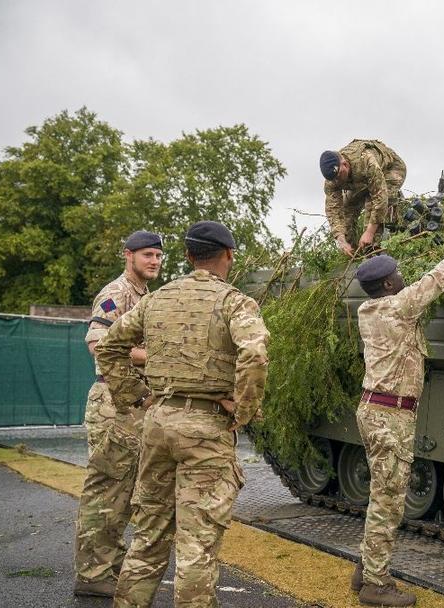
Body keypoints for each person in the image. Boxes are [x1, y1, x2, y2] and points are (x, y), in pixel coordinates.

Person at [95, 221, 270, 608]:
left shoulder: (156, 300)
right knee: (197, 542)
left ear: (189, 257)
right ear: (228, 255)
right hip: (206, 429)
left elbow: (107, 347)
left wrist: (137, 397)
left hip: (158, 423)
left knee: (148, 535)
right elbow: (254, 355)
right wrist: (242, 410)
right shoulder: (234, 302)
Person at [350, 212, 444, 607]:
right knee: (388, 499)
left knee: (381, 491)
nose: (403, 280)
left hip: (375, 409)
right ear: (389, 284)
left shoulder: (370, 312)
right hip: (391, 415)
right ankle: (376, 585)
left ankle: (365, 568)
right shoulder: (398, 308)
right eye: (398, 277)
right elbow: (438, 279)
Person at [74, 230, 164, 598]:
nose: (155, 261)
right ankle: (92, 573)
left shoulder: (144, 295)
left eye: (158, 256)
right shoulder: (117, 293)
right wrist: (155, 357)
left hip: (132, 402)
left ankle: (106, 564)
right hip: (113, 403)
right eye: (147, 255)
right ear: (128, 256)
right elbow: (98, 343)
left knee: (123, 491)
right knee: (107, 489)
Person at [320, 140, 407, 256]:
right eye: (334, 179)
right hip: (360, 181)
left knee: (372, 204)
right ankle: (354, 253)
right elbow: (333, 211)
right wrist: (342, 241)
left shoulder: (365, 160)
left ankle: (372, 251)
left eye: (339, 176)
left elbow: (380, 199)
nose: (337, 182)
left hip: (390, 169)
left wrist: (369, 232)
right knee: (346, 210)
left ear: (345, 164)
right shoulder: (332, 179)